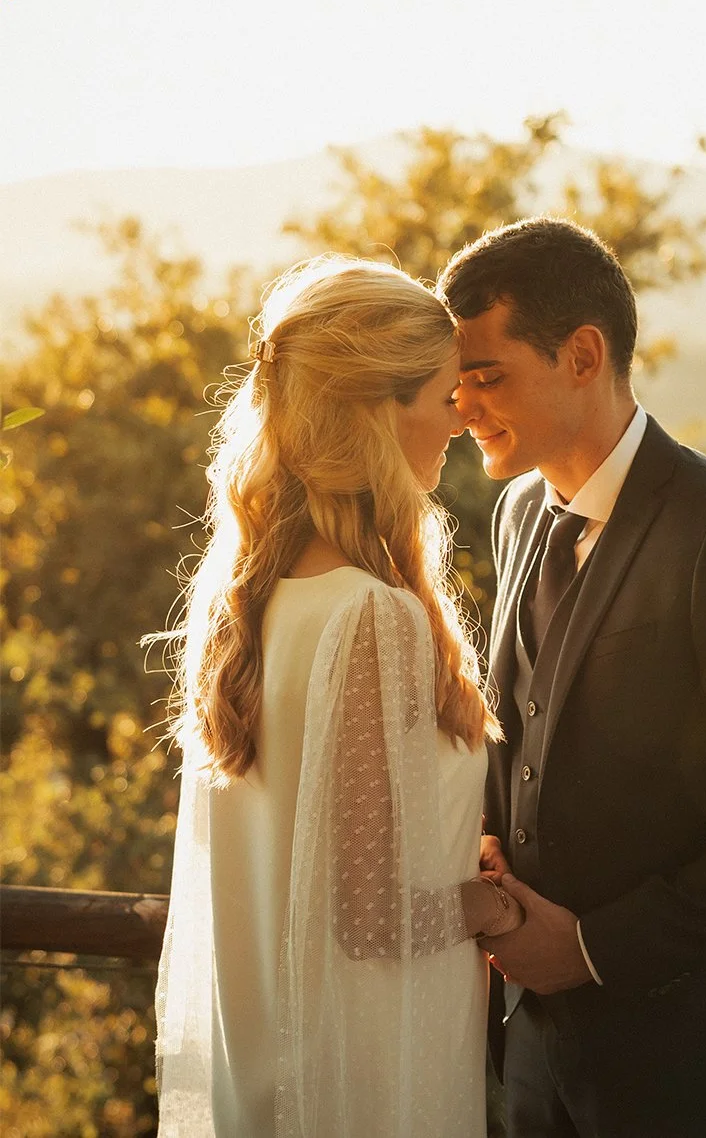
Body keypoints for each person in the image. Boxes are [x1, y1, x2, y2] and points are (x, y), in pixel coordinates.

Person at [437, 219, 706, 1138]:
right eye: (455, 381)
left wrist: (591, 948)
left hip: (694, 1074)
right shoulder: (517, 511)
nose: (460, 406)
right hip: (540, 1063)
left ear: (584, 355)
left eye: (487, 375)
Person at [153, 254, 522, 1138]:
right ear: (379, 410)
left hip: (271, 1064)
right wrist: (492, 905)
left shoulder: (244, 596)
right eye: (442, 398)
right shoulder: (370, 614)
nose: (459, 424)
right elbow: (369, 917)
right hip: (361, 1081)